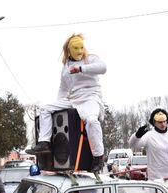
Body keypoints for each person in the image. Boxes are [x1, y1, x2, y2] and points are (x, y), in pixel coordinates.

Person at [26, 33, 107, 172]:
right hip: (73, 99)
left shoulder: (90, 58)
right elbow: (63, 88)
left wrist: (82, 69)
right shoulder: (66, 67)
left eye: (81, 47)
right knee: (45, 109)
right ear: (69, 49)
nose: (80, 51)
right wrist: (58, 106)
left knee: (92, 121)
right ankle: (44, 143)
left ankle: (98, 157)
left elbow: (103, 68)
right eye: (76, 48)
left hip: (90, 97)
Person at [128, 108, 168, 188]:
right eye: (159, 122)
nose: (162, 124)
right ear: (154, 123)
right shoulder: (149, 135)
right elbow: (134, 145)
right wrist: (137, 136)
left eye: (164, 121)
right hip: (156, 178)